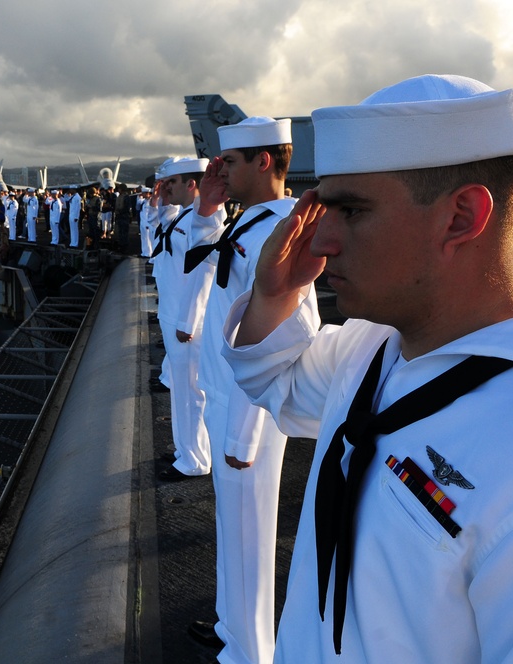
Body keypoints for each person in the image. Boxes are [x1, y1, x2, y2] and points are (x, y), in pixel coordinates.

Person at [220, 75, 513, 663]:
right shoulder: (373, 346)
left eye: (350, 210)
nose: (320, 240)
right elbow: (280, 384)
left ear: (460, 217)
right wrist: (274, 296)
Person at [183, 117, 302, 664]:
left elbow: (285, 338)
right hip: (223, 398)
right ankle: (233, 628)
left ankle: (252, 653)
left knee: (250, 539)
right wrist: (207, 208)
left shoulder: (282, 234)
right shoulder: (251, 224)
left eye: (229, 163)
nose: (220, 171)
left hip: (246, 413)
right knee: (231, 530)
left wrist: (243, 435)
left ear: (263, 161)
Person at [151, 156, 226, 480]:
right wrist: (162, 200)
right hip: (172, 315)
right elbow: (161, 238)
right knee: (181, 392)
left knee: (192, 394)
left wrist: (188, 321)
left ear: (191, 183)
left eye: (172, 183)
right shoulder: (182, 216)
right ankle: (185, 449)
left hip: (186, 323)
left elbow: (203, 272)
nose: (166, 188)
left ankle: (195, 460)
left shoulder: (206, 220)